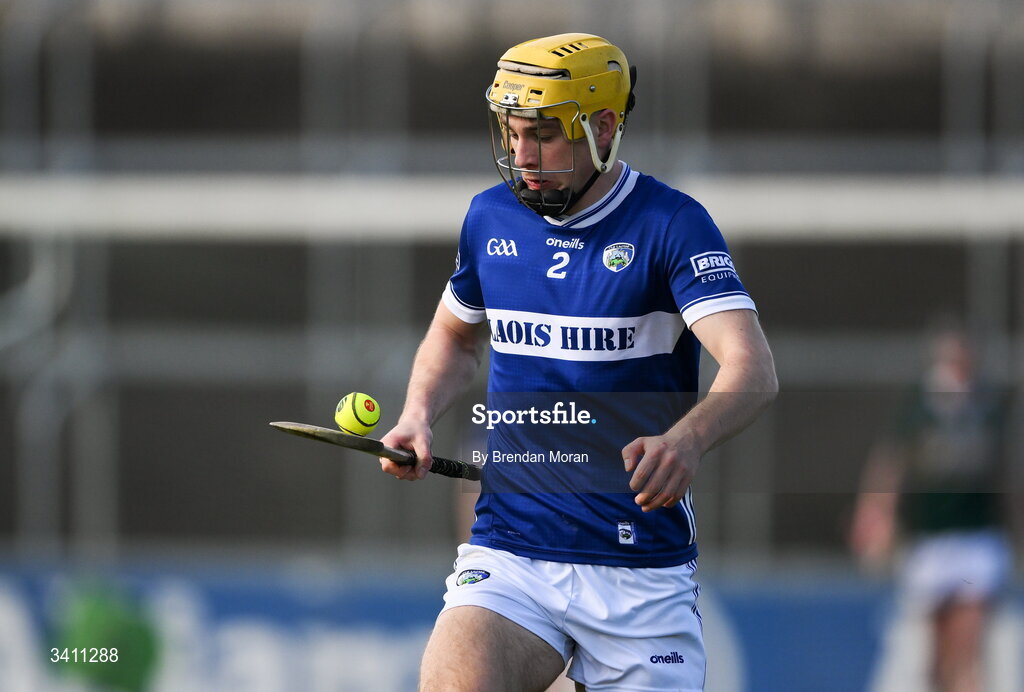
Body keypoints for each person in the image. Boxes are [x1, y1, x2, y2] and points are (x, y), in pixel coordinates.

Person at [379, 33, 777, 691]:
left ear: (603, 126)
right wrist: (417, 417)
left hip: (638, 575)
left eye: (542, 135)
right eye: (511, 133)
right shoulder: (489, 218)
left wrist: (687, 439)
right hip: (511, 553)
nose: (521, 156)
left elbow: (752, 369)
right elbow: (455, 339)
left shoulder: (671, 225)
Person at [850, 324, 1017, 692]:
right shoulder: (919, 406)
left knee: (968, 638)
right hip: (930, 539)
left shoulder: (989, 407)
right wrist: (876, 515)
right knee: (935, 649)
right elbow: (890, 464)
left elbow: (1005, 477)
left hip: (977, 537)